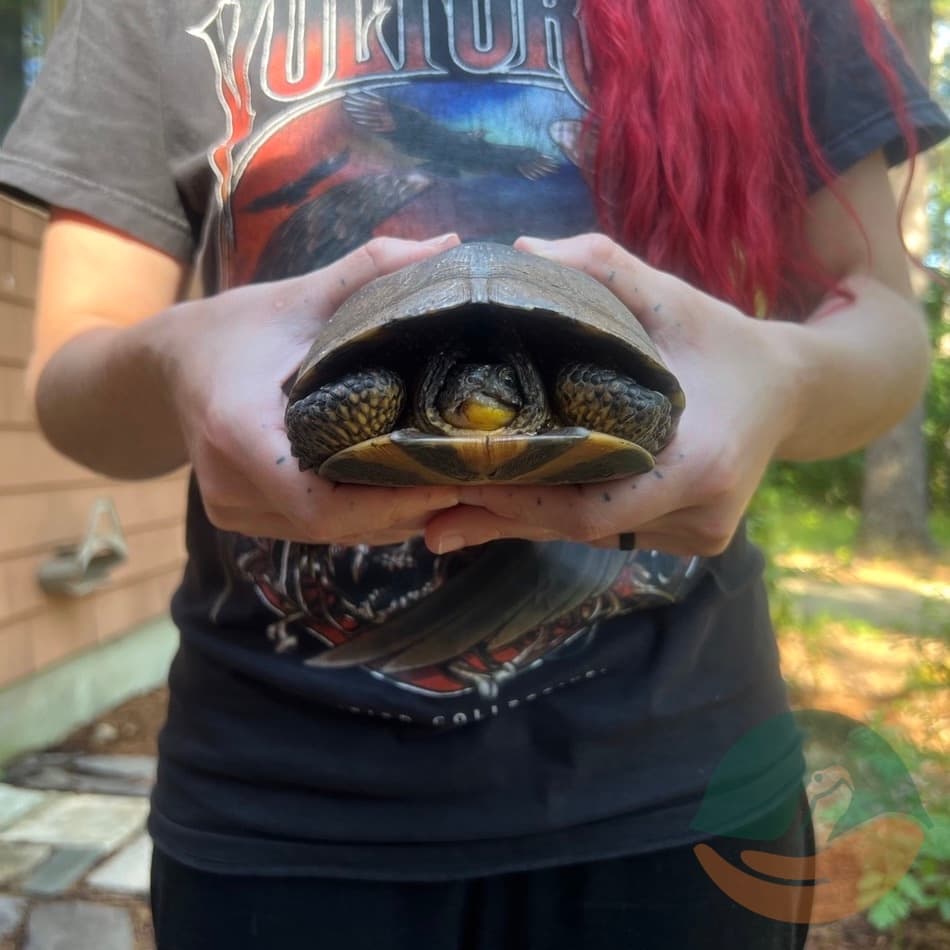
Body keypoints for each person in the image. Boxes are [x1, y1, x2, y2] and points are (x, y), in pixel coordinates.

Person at [1, 0, 946, 947]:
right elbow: (70, 374)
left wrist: (781, 379)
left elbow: (881, 328)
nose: (488, 390)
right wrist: (177, 360)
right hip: (284, 801)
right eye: (474, 383)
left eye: (503, 384)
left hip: (682, 779)